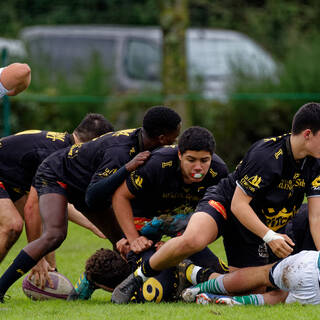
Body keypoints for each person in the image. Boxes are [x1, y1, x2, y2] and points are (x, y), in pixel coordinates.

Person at [111, 102, 320, 304]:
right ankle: (138, 276)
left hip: (254, 226)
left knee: (255, 286)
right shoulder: (267, 156)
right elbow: (238, 205)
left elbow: (316, 216)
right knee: (192, 240)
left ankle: (195, 282)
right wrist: (270, 235)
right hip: (228, 205)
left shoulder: (315, 163)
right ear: (308, 134)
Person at [0, 106, 181, 302]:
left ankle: (126, 288)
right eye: (175, 137)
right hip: (55, 174)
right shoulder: (120, 152)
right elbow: (93, 196)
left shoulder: (143, 142)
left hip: (84, 184)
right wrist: (127, 168)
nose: (176, 142)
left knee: (123, 239)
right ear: (162, 138)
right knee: (55, 234)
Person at [70, 126, 228, 299]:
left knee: (219, 272)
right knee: (155, 291)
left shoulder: (218, 172)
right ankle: (96, 274)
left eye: (204, 160)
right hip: (141, 224)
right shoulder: (158, 164)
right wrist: (133, 239)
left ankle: (185, 271)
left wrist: (183, 241)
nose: (198, 167)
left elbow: (219, 215)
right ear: (179, 155)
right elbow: (120, 196)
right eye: (191, 160)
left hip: (178, 227)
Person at [70, 246, 228, 302]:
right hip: (190, 251)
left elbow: (74, 297)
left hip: (188, 272)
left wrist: (89, 281)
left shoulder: (136, 295)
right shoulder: (136, 251)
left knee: (188, 271)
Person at [182, 250, 320, 306]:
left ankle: (199, 288)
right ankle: (233, 301)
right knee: (280, 298)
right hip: (314, 291)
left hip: (307, 265)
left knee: (262, 274)